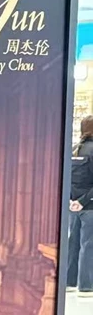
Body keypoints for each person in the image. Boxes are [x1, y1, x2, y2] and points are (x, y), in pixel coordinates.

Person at [67, 115, 93, 298]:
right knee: (88, 244)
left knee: (73, 243)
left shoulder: (74, 149)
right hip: (89, 205)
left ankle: (69, 282)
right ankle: (86, 286)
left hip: (73, 206)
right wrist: (83, 201)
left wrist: (71, 200)